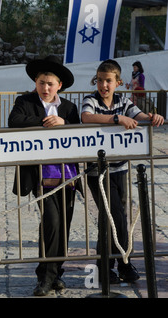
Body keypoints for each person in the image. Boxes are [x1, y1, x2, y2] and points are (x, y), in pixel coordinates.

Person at [81, 59, 164, 284]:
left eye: (108, 81)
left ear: (118, 82)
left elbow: (139, 116)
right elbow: (86, 117)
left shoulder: (123, 100)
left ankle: (109, 267)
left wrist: (153, 117)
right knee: (114, 215)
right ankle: (120, 266)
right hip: (97, 172)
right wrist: (116, 118)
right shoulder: (91, 100)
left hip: (120, 168)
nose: (103, 85)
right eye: (100, 80)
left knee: (117, 218)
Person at [8, 55, 83, 296]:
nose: (45, 88)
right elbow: (14, 121)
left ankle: (54, 274)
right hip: (40, 175)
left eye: (50, 83)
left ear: (59, 85)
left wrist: (64, 123)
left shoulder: (69, 108)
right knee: (51, 222)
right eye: (41, 83)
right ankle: (45, 277)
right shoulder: (25, 101)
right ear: (36, 82)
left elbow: (79, 133)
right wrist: (46, 122)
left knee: (64, 227)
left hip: (66, 177)